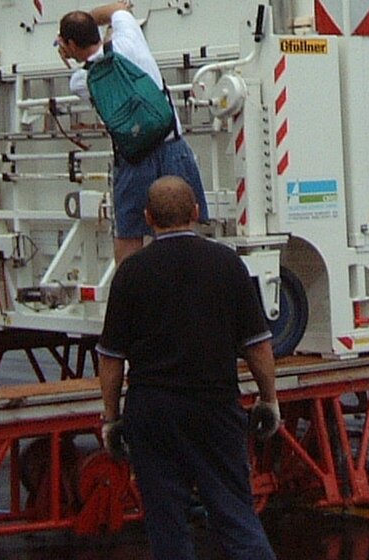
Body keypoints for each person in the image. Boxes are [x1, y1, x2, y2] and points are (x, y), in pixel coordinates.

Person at [95, 176, 280, 560]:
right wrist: (269, 399)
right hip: (214, 408)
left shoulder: (131, 273)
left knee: (167, 526)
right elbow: (258, 346)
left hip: (153, 412)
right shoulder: (227, 264)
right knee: (235, 516)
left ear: (147, 217)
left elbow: (111, 357)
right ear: (196, 212)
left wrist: (111, 418)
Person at [58, 0, 207, 263]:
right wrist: (95, 19)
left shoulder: (81, 81)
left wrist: (70, 51)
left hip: (133, 160)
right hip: (172, 146)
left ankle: (130, 294)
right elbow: (118, 8)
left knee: (129, 236)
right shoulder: (130, 38)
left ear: (70, 46)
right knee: (182, 230)